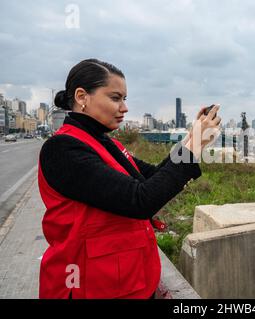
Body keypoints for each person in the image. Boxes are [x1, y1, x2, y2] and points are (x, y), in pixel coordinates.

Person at [38, 58, 221, 299]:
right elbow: (140, 201)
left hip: (127, 283)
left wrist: (191, 139)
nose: (124, 107)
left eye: (125, 99)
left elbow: (153, 177)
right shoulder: (63, 149)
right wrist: (194, 146)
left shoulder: (106, 143)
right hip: (88, 287)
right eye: (115, 98)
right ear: (82, 97)